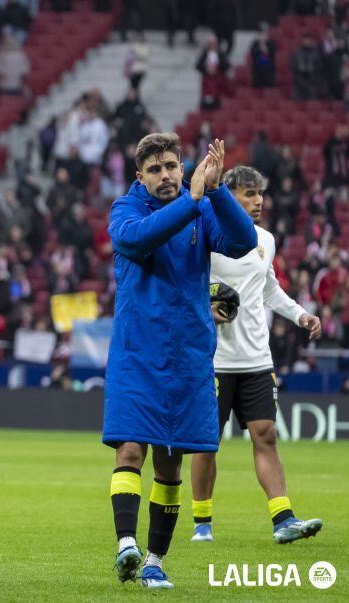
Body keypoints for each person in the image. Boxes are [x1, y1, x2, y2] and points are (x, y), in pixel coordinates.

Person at [104, 133, 257, 589]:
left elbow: (243, 240)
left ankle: (154, 561)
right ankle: (126, 545)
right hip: (137, 354)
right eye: (155, 169)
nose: (166, 175)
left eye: (172, 165)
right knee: (130, 449)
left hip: (188, 357)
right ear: (140, 177)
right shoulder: (125, 211)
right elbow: (137, 240)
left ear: (183, 168)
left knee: (170, 464)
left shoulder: (201, 205)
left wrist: (216, 191)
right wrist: (192, 202)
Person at [190, 166, 324, 544]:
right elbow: (185, 287)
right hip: (212, 360)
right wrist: (205, 306)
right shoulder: (206, 236)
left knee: (265, 435)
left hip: (255, 359)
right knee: (206, 441)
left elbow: (268, 289)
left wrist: (300, 314)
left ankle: (283, 519)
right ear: (228, 195)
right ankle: (202, 524)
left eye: (260, 193)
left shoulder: (265, 239)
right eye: (249, 194)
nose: (259, 200)